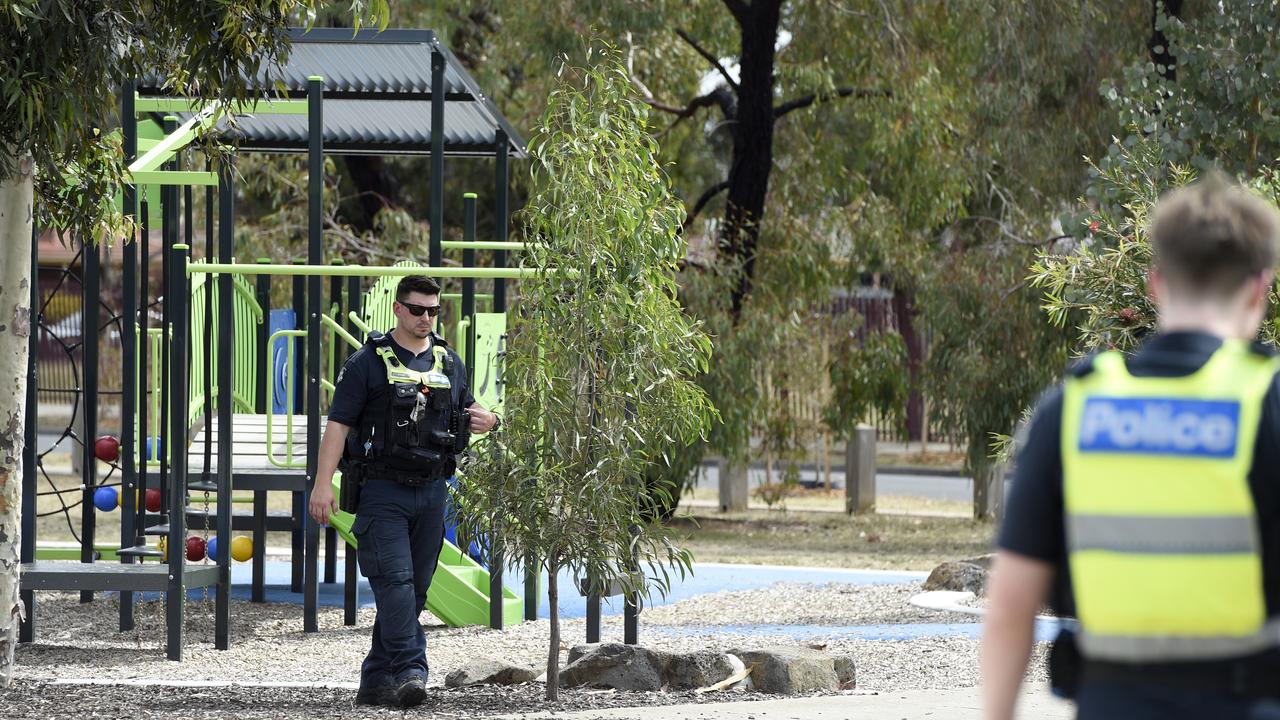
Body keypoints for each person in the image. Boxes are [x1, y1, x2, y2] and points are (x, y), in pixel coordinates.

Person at [982, 175, 1280, 720]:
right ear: (1260, 288)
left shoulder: (1071, 410)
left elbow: (1010, 606)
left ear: (1156, 283)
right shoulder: (1269, 401)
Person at [308, 275, 499, 708]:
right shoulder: (366, 363)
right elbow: (338, 426)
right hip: (381, 492)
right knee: (394, 582)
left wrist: (488, 420)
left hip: (433, 492)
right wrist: (322, 485)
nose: (426, 318)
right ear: (397, 309)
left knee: (414, 591)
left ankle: (376, 681)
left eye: (433, 311)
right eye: (417, 310)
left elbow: (468, 409)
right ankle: (412, 669)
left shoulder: (450, 362)